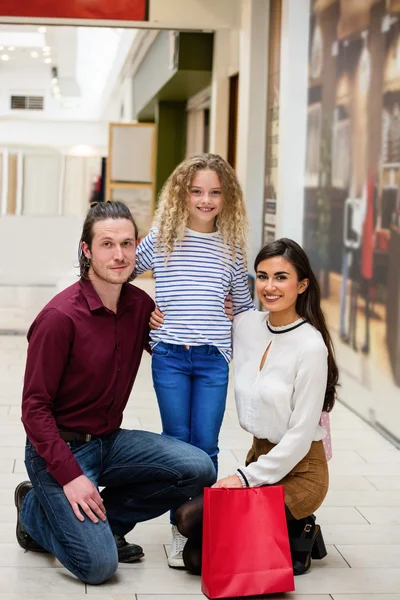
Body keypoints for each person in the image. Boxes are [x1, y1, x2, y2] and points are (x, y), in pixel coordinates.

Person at [15, 201, 216, 585]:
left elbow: (169, 347)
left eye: (126, 243)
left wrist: (214, 309)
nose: (119, 255)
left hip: (110, 442)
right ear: (86, 250)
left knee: (198, 468)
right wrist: (70, 476)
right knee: (99, 567)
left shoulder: (140, 305)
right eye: (107, 244)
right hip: (60, 451)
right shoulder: (60, 319)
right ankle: (33, 510)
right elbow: (34, 409)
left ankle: (107, 523)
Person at [157, 238, 338, 576]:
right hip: (260, 459)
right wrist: (155, 315)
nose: (269, 287)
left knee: (198, 554)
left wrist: (242, 478)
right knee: (186, 524)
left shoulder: (311, 346)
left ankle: (300, 526)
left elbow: (299, 438)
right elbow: (198, 316)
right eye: (262, 276)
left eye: (281, 277)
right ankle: (288, 530)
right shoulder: (247, 325)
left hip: (299, 470)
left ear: (302, 285)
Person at [135, 153, 254, 566]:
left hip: (212, 361)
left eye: (215, 192)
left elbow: (244, 305)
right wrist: (142, 311)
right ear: (181, 194)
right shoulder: (163, 238)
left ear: (227, 198)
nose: (205, 200)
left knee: (205, 447)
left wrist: (231, 312)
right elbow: (121, 270)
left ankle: (200, 527)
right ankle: (179, 530)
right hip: (168, 356)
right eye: (197, 191)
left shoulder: (232, 247)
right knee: (176, 445)